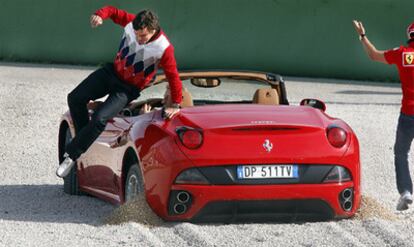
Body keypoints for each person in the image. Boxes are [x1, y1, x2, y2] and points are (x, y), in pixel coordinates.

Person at [56, 6, 183, 178]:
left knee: (100, 117)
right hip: (111, 73)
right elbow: (113, 11)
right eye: (137, 34)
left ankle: (71, 156)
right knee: (75, 98)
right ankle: (85, 139)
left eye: (143, 35)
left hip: (127, 89)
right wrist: (100, 15)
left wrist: (176, 103)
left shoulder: (164, 48)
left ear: (153, 30)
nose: (139, 38)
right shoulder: (130, 22)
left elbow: (173, 76)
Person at [353, 20, 414, 210]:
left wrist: (362, 35)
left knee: (401, 153)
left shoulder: (402, 53)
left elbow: (373, 55)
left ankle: (406, 192)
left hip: (408, 114)